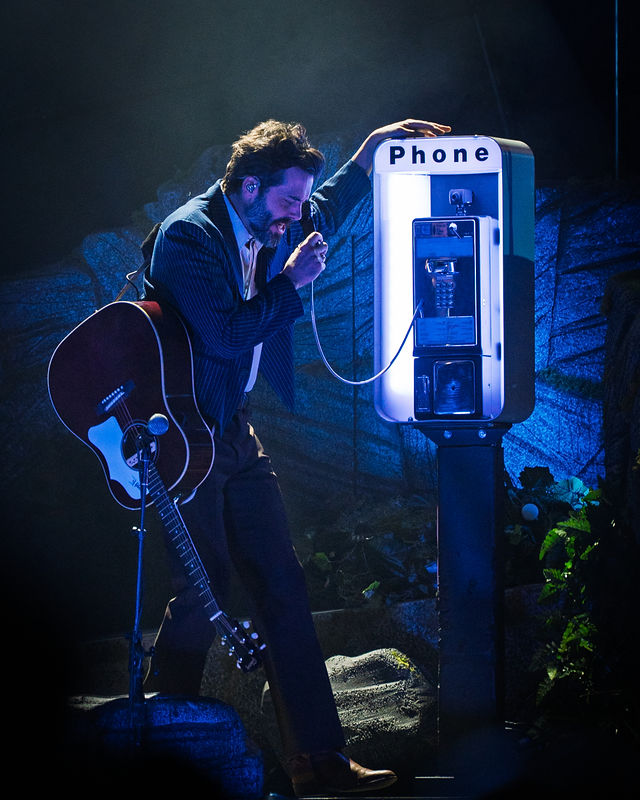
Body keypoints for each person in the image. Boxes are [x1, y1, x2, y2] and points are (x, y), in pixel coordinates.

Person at [144, 117, 451, 796]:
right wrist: (288, 285)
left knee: (282, 581)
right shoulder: (188, 237)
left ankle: (320, 760)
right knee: (201, 589)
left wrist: (370, 151)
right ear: (249, 187)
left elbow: (325, 206)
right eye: (287, 200)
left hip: (233, 429)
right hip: (183, 434)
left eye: (297, 203)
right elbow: (225, 336)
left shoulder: (274, 215)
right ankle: (157, 744)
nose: (295, 216)